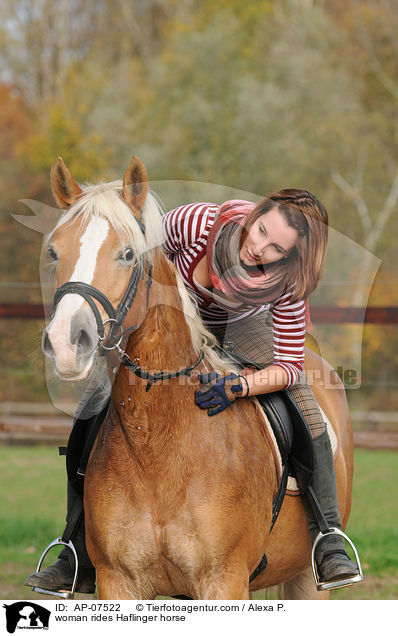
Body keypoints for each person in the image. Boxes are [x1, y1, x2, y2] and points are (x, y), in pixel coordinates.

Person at [25, 189, 360, 594]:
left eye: (275, 248)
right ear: (254, 215)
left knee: (308, 406)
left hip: (246, 330)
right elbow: (131, 246)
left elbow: (288, 367)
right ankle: (75, 546)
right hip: (173, 316)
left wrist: (240, 385)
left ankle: (328, 535)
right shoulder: (194, 223)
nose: (258, 247)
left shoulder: (290, 284)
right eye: (260, 230)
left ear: (290, 258)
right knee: (94, 404)